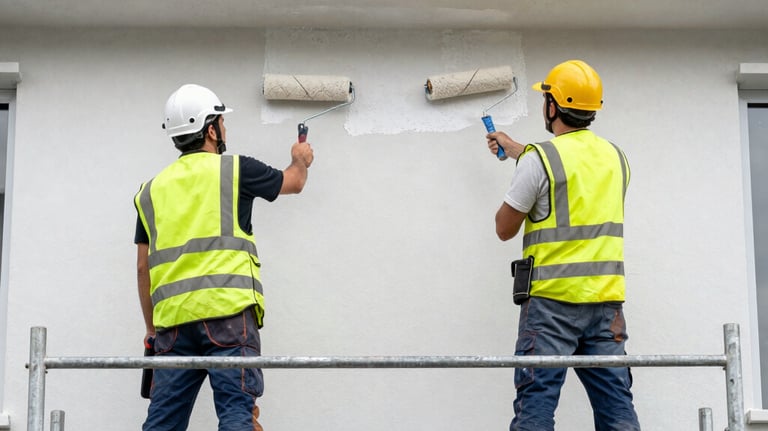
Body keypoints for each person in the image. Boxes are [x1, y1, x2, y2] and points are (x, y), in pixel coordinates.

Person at [134, 83, 314, 431]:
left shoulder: (149, 192)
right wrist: (300, 158)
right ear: (211, 129)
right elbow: (294, 182)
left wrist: (152, 332)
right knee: (236, 415)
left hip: (172, 327)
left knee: (162, 424)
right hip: (229, 318)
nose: (224, 129)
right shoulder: (235, 170)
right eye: (221, 122)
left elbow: (143, 268)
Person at [486, 60, 640, 431]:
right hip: (605, 307)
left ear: (552, 107)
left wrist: (525, 161)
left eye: (545, 98)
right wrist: (519, 151)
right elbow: (571, 169)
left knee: (535, 409)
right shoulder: (616, 157)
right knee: (617, 411)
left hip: (551, 306)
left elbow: (504, 229)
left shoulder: (540, 160)